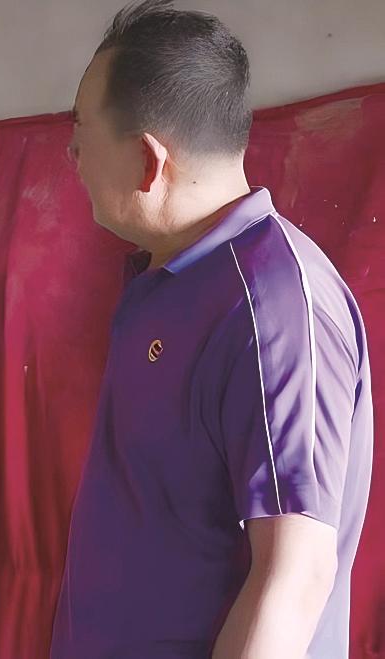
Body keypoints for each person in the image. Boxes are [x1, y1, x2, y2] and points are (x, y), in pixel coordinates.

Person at [55, 2, 373, 657]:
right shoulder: (169, 278)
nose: (73, 152)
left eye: (82, 129)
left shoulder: (272, 308)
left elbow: (293, 574)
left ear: (148, 161)